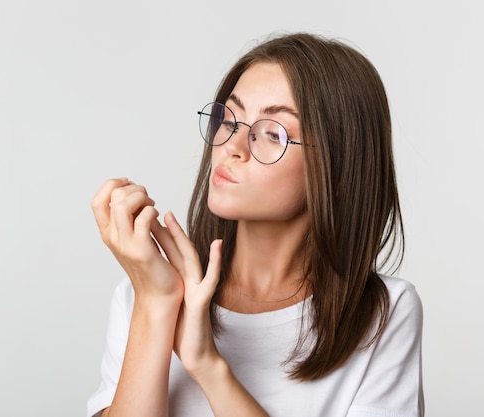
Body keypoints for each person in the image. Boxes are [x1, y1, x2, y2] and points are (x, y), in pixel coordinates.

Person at [87, 32, 424, 417]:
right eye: (229, 117)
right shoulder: (145, 293)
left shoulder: (383, 314)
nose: (232, 144)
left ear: (338, 168)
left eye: (271, 133)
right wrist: (156, 302)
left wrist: (209, 368)